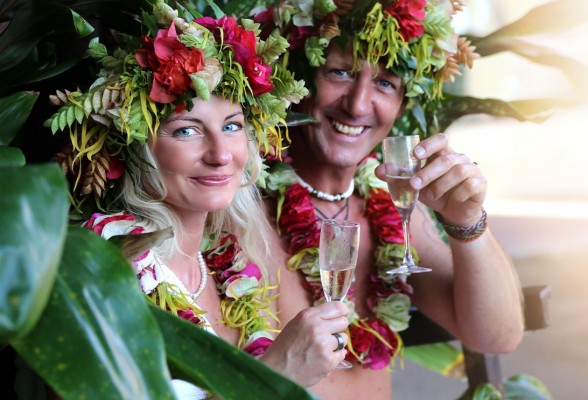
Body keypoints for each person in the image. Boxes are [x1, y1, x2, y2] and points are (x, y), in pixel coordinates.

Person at [46, 2, 349, 397]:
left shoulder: (226, 263)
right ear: (140, 146)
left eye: (231, 126)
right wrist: (279, 373)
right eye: (188, 131)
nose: (221, 154)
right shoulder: (105, 271)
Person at [253, 0, 525, 398]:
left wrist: (467, 222)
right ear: (301, 79)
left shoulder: (391, 210)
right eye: (340, 72)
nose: (358, 104)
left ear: (400, 105)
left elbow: (497, 336)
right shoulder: (239, 207)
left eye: (385, 82)